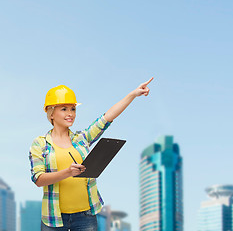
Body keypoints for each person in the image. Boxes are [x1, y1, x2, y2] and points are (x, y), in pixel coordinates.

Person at [29, 77, 153, 231]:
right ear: (51, 113)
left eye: (73, 109)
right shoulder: (40, 144)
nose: (71, 114)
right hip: (55, 218)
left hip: (85, 216)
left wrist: (134, 94)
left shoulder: (82, 138)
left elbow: (108, 117)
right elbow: (39, 180)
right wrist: (68, 172)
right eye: (64, 109)